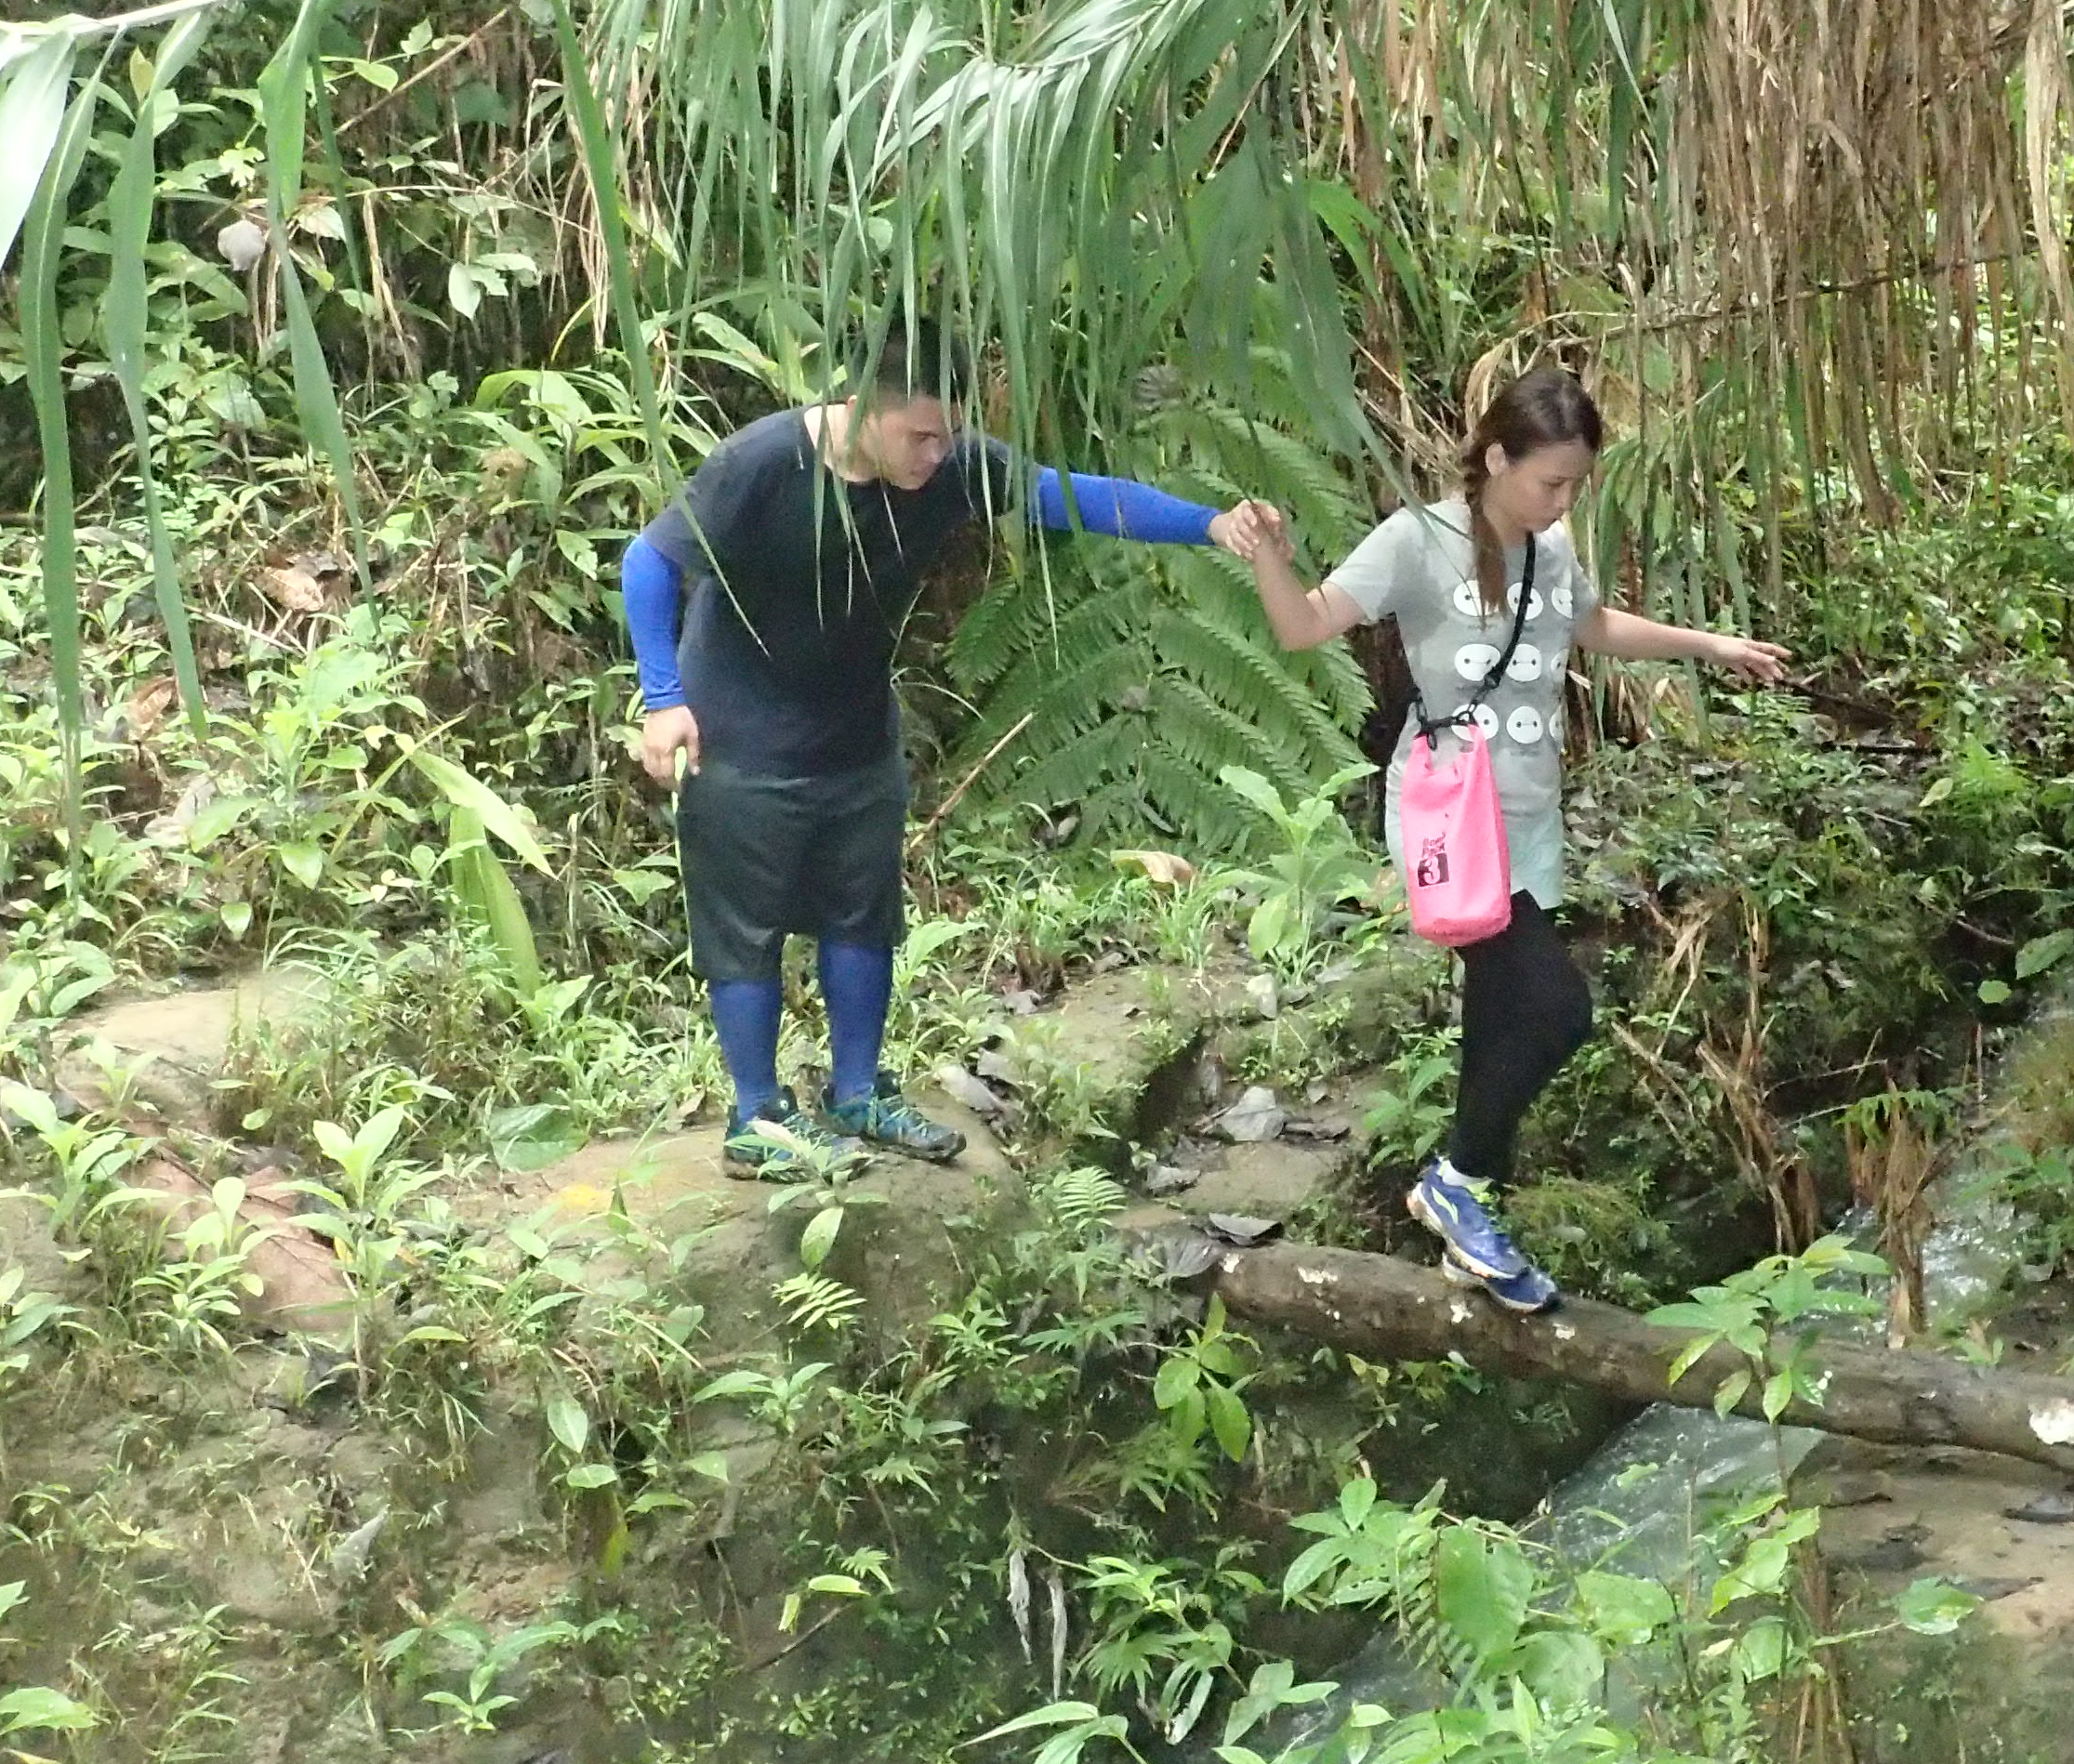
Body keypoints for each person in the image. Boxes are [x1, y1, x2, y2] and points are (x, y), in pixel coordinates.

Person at [621, 326, 1275, 1179]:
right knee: (744, 931)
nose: (936, 455)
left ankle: (859, 1093)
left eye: (948, 435)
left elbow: (1072, 496)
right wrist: (664, 700)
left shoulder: (948, 467)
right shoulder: (764, 463)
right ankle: (756, 1119)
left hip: (857, 736)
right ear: (862, 408)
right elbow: (650, 561)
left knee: (863, 917)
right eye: (919, 436)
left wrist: (1211, 524)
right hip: (740, 740)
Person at [1219, 368, 1788, 1312]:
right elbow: (1304, 625)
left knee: (1497, 1014)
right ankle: (1456, 1183)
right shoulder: (1418, 539)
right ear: (1494, 459)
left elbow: (1591, 625)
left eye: (1575, 485)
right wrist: (1270, 557)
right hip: (1452, 821)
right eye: (1550, 482)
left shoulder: (1550, 549)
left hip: (1528, 818)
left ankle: (1465, 1227)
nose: (1563, 502)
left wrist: (1710, 645)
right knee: (1557, 1009)